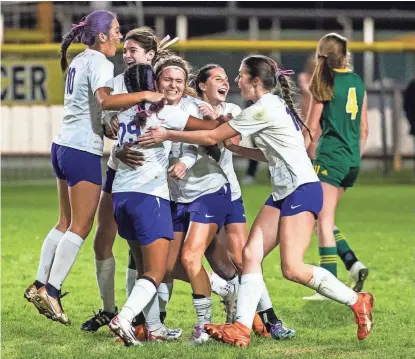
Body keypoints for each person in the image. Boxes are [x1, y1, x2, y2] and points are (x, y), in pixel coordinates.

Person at [138, 54, 375, 346]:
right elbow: (268, 153)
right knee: (250, 255)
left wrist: (167, 133)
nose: (236, 81)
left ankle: (358, 300)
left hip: (302, 190)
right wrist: (239, 150)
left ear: (255, 81)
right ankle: (241, 327)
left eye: (240, 75)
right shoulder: (267, 107)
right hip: (283, 192)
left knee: (292, 269)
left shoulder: (262, 109)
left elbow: (212, 137)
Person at [23, 10, 164, 326]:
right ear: (101, 36)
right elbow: (103, 100)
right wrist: (143, 94)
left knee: (64, 221)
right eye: (115, 30)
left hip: (61, 145)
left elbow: (92, 108)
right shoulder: (101, 62)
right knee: (81, 227)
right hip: (80, 150)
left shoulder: (80, 60)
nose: (118, 35)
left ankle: (38, 284)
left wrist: (107, 126)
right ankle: (52, 290)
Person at [107, 63, 229, 346]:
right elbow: (212, 131)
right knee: (157, 270)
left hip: (121, 196)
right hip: (150, 197)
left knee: (143, 267)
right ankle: (123, 318)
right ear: (154, 84)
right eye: (165, 79)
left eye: (178, 80)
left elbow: (116, 134)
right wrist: (221, 118)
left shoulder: (124, 112)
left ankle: (153, 329)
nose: (172, 85)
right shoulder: (166, 111)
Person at [79, 27, 181, 339]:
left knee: (145, 255)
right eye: (125, 49)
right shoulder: (118, 83)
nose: (126, 54)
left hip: (150, 178)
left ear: (151, 55)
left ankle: (144, 322)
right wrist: (114, 134)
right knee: (105, 242)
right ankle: (112, 311)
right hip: (119, 168)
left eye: (133, 50)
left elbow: (180, 115)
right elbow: (105, 115)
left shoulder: (164, 82)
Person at [192, 63, 295, 339]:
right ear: (202, 85)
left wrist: (214, 119)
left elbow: (228, 140)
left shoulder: (233, 111)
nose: (227, 82)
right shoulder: (187, 109)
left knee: (242, 258)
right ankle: (230, 304)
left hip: (229, 195)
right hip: (195, 196)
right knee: (212, 264)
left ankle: (268, 320)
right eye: (218, 78)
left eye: (229, 77)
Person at [302, 33, 370, 300]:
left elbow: (310, 130)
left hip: (331, 159)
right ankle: (353, 264)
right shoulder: (356, 81)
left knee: (323, 219)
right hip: (352, 160)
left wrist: (293, 154)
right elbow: (364, 128)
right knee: (324, 218)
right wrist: (354, 156)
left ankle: (328, 286)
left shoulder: (324, 83)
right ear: (345, 55)